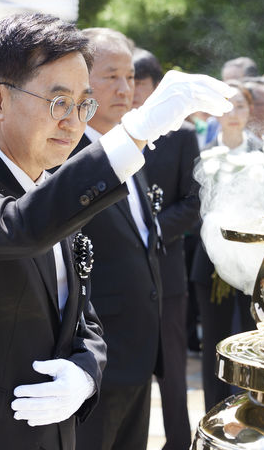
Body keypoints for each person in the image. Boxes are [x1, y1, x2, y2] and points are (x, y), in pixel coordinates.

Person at [0, 13, 233, 450]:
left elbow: (82, 316)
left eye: (83, 104)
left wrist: (85, 372)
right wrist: (135, 131)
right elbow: (17, 227)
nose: (74, 123)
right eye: (59, 102)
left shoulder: (47, 185)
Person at [72, 27, 161, 450]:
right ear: (80, 81)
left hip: (140, 350)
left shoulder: (129, 144)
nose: (126, 89)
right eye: (111, 76)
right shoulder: (67, 157)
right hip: (97, 354)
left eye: (130, 77)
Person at [132, 47, 200, 450]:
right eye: (125, 81)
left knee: (174, 373)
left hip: (167, 269)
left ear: (156, 86)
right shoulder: (111, 132)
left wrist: (148, 229)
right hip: (122, 278)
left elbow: (194, 202)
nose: (132, 91)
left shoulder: (183, 135)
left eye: (139, 82)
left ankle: (178, 443)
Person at [190, 81, 262, 412]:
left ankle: (252, 411)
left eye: (242, 106)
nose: (234, 114)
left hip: (253, 263)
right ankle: (213, 413)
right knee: (214, 343)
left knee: (253, 339)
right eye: (228, 106)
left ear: (250, 112)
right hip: (211, 263)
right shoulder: (202, 151)